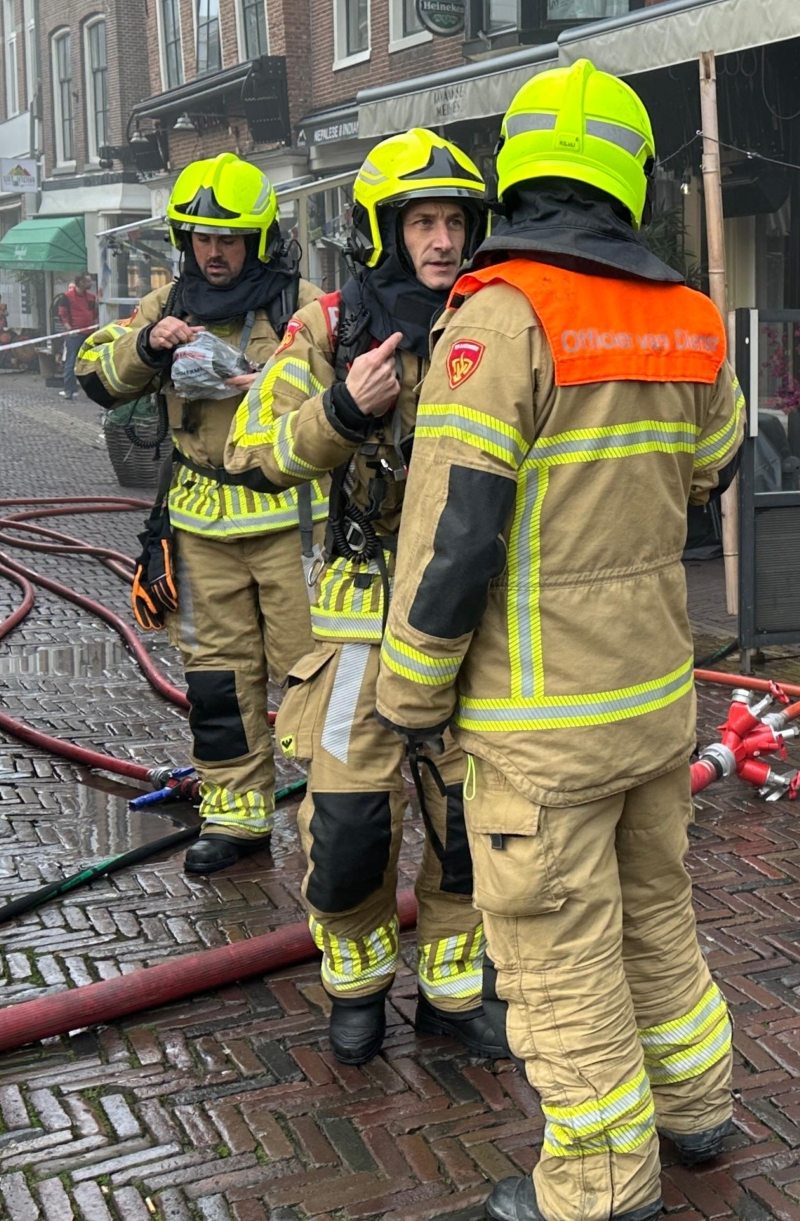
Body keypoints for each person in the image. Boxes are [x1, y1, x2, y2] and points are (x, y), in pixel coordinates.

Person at [372, 62, 745, 1221]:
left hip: (539, 729)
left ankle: (596, 1185)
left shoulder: (496, 319)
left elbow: (452, 534)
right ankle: (696, 1114)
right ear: (630, 179)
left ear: (517, 180)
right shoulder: (689, 316)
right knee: (657, 915)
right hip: (649, 698)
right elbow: (716, 467)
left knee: (556, 957)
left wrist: (408, 698)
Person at [226, 129, 508, 1065]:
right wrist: (343, 412)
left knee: (467, 826)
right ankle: (354, 989)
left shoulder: (495, 323)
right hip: (357, 628)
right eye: (421, 222)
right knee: (347, 826)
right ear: (383, 234)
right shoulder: (331, 327)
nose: (442, 240)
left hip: (472, 615)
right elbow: (251, 448)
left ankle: (454, 991)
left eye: (456, 221)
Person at [78, 154, 325, 873]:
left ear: (259, 238)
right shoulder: (167, 305)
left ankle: (330, 818)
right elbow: (96, 374)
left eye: (230, 238)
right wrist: (146, 346)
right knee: (217, 680)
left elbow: (350, 393)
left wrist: (270, 385)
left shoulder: (302, 304)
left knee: (312, 677)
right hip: (199, 525)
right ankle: (237, 818)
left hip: (289, 526)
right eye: (201, 239)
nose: (214, 253)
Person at [52, 275, 99, 397]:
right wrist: (69, 329)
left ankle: (91, 389)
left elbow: (93, 313)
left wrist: (94, 326)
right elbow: (62, 314)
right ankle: (69, 390)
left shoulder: (91, 297)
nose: (90, 283)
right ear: (81, 282)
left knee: (91, 361)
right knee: (71, 362)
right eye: (88, 281)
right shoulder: (67, 297)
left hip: (88, 333)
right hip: (74, 334)